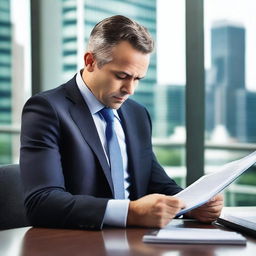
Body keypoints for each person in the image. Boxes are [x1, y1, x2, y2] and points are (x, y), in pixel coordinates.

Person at [20, 15, 223, 230]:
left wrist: (191, 205)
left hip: (137, 243)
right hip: (79, 243)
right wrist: (131, 212)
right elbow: (41, 203)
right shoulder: (46, 109)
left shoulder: (137, 114)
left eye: (137, 79)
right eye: (122, 76)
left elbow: (155, 181)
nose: (130, 90)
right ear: (90, 61)